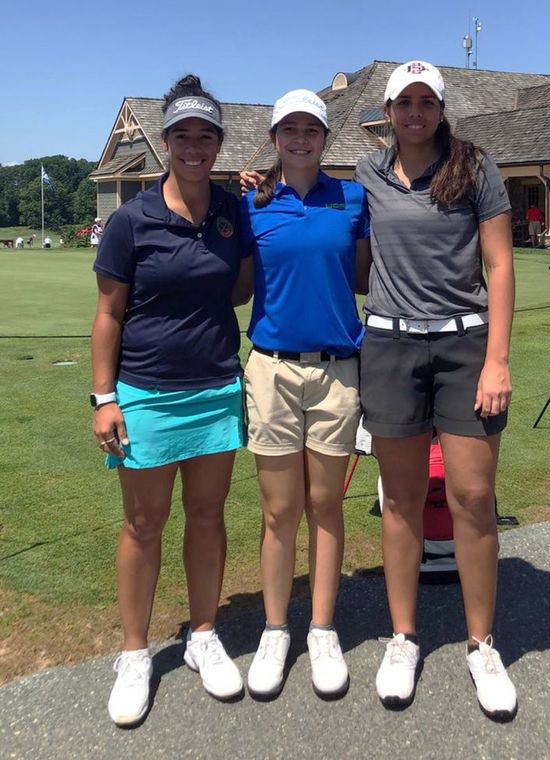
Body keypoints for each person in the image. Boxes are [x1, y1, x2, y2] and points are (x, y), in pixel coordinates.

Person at [354, 61, 517, 721]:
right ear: (389, 111)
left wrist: (497, 361)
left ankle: (481, 643)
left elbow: (501, 264)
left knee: (473, 497)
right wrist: (259, 184)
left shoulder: (474, 168)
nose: (416, 113)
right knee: (401, 498)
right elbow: (303, 188)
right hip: (390, 346)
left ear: (441, 108)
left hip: (464, 346)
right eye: (404, 103)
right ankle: (403, 636)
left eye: (427, 102)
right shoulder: (366, 172)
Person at [91, 74, 249, 727]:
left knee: (207, 516)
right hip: (146, 392)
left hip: (215, 386)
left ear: (217, 144)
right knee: (143, 525)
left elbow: (239, 292)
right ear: (165, 144)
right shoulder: (131, 221)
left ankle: (204, 634)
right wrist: (103, 397)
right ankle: (134, 653)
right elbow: (107, 313)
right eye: (181, 136)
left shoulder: (231, 212)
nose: (193, 146)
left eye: (204, 136)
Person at [239, 89, 370, 700]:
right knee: (278, 511)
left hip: (337, 370)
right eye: (288, 130)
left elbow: (370, 273)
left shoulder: (351, 199)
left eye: (310, 130)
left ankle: (320, 628)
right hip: (270, 369)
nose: (300, 139)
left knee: (326, 505)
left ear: (324, 138)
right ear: (274, 141)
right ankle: (274, 628)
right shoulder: (251, 205)